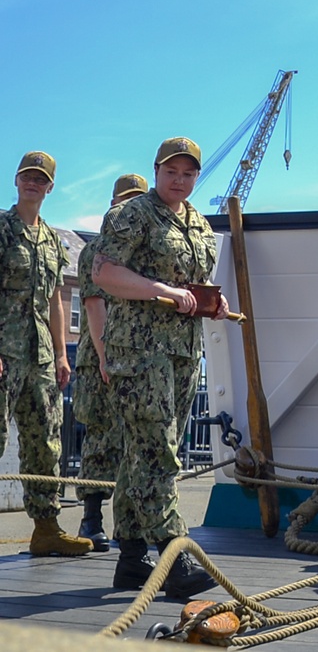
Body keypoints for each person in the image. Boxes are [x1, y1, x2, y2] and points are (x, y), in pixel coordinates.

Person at [93, 138, 228, 599]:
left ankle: (132, 558)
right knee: (157, 450)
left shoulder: (198, 224)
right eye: (172, 171)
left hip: (183, 351)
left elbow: (192, 282)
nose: (180, 179)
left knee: (143, 453)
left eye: (189, 173)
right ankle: (174, 553)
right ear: (156, 170)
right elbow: (104, 274)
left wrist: (211, 299)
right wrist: (162, 291)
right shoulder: (131, 214)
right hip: (140, 350)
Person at [0, 152, 93, 556]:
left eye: (40, 179)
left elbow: (56, 298)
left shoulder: (54, 240)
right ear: (16, 181)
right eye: (27, 177)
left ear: (50, 187)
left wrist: (60, 354)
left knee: (45, 443)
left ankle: (46, 529)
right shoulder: (3, 229)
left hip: (38, 355)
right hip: (4, 348)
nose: (33, 183)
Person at [74, 172, 149, 552]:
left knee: (131, 441)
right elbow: (94, 307)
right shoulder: (97, 250)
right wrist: (106, 357)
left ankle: (129, 525)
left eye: (136, 200)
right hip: (100, 360)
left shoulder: (141, 249)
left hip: (132, 361)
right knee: (101, 438)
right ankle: (90, 518)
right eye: (124, 201)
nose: (129, 208)